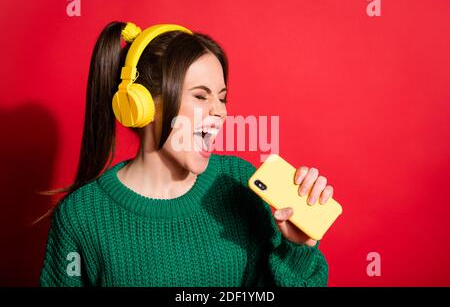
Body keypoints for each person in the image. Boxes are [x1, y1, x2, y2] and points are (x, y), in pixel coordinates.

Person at [39, 21, 333, 287]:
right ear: (143, 106)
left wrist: (297, 249)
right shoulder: (81, 215)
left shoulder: (239, 183)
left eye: (222, 98)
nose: (220, 111)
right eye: (201, 96)